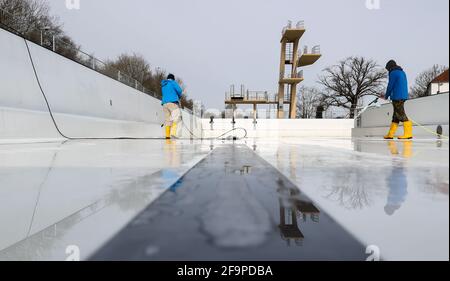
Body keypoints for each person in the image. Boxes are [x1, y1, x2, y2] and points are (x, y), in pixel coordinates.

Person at [383, 60, 413, 140]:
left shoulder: (393, 72)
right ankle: (390, 134)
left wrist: (386, 95)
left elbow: (390, 85)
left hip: (397, 96)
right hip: (403, 95)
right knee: (395, 117)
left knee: (401, 114)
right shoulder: (401, 72)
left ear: (390, 67)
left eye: (387, 69)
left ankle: (408, 134)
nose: (388, 70)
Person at [161, 73, 183, 139]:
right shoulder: (173, 82)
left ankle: (167, 136)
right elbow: (180, 90)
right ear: (173, 78)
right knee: (176, 118)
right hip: (172, 103)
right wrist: (178, 96)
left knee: (168, 120)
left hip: (165, 104)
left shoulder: (163, 84)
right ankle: (173, 134)